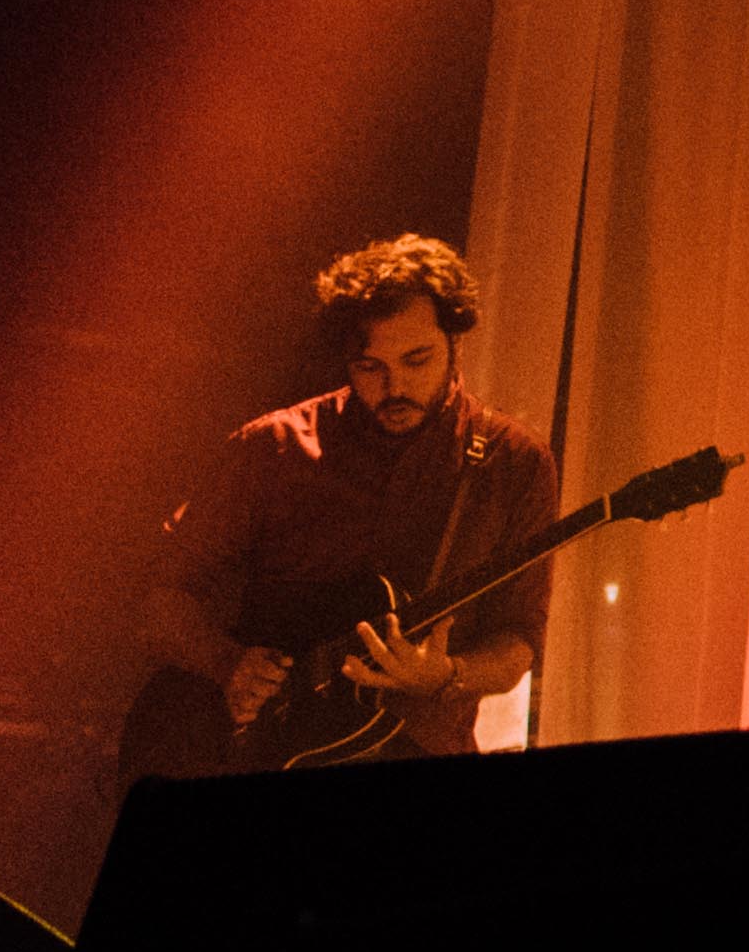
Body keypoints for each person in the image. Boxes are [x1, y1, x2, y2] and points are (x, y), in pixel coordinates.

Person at [135, 235, 553, 766]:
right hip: (261, 754)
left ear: (455, 343)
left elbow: (519, 637)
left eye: (417, 360)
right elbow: (164, 594)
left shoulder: (513, 462)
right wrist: (227, 664)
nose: (394, 387)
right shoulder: (276, 447)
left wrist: (447, 676)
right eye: (369, 367)